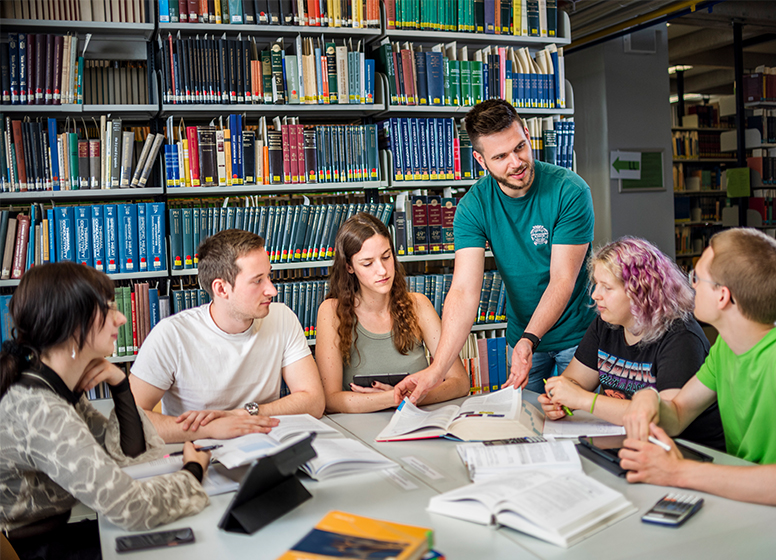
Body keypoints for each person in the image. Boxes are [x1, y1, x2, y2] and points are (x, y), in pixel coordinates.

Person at [619, 228, 776, 510]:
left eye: (696, 278)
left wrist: (677, 471)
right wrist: (647, 396)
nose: (691, 285)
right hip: (748, 501)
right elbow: (676, 415)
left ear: (723, 296)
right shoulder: (726, 347)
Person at [0, 263, 209, 559]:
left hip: (55, 536)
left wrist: (120, 384)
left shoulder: (54, 385)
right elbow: (131, 507)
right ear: (73, 323)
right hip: (33, 550)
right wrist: (194, 471)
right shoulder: (40, 409)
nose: (121, 318)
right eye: (109, 308)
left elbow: (130, 455)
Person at [395, 99, 595, 403]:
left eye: (519, 147)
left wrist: (530, 339)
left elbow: (562, 280)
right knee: (526, 427)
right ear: (480, 160)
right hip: (521, 339)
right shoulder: (473, 207)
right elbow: (463, 292)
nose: (515, 162)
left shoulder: (570, 190)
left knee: (577, 428)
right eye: (500, 156)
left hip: (578, 338)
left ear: (528, 134)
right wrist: (438, 369)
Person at [130, 229, 325, 443]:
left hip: (266, 446)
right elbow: (129, 420)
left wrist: (243, 414)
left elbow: (314, 402)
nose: (272, 290)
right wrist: (212, 428)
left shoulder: (282, 318)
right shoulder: (171, 335)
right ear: (221, 289)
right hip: (198, 455)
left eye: (269, 276)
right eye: (257, 280)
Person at [538, 237, 724, 450]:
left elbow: (662, 419)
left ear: (639, 293)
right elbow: (573, 381)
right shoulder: (605, 324)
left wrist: (582, 400)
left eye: (606, 287)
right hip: (627, 440)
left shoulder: (681, 336)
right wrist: (559, 398)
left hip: (681, 449)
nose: (595, 295)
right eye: (596, 284)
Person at [316, 213, 470, 413]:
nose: (382, 270)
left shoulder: (418, 305)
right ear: (349, 267)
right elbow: (330, 400)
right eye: (368, 263)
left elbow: (460, 382)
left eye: (386, 257)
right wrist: (392, 397)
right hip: (358, 433)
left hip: (417, 426)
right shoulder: (331, 312)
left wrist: (410, 399)